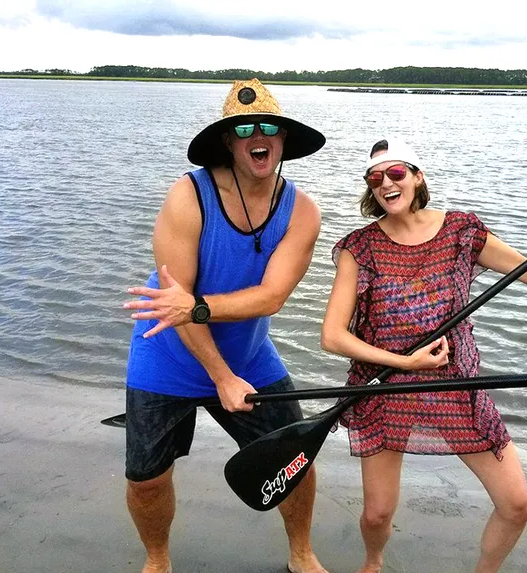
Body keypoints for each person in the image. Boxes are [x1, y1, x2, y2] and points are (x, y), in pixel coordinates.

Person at [319, 137, 527, 573]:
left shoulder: (462, 230)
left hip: (455, 383)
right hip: (382, 385)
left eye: (397, 173)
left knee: (517, 504)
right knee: (377, 513)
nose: (386, 184)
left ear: (418, 178)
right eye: (375, 178)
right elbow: (332, 336)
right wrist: (404, 363)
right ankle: (373, 562)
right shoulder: (359, 248)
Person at [121, 78, 329, 573]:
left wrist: (201, 318)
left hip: (248, 356)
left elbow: (272, 296)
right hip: (166, 353)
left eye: (269, 127)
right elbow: (172, 306)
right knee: (146, 477)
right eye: (244, 128)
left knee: (294, 459)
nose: (258, 135)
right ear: (229, 142)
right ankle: (157, 560)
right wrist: (218, 376)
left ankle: (301, 554)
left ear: (282, 140)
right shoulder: (187, 196)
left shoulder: (302, 211)